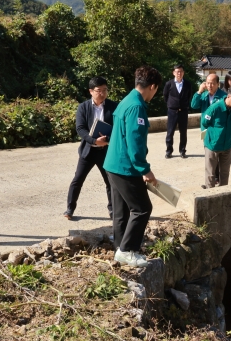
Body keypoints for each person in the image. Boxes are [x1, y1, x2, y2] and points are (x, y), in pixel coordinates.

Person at [104, 65, 163, 268]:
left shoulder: (127, 100)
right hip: (124, 167)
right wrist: (144, 169)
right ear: (152, 86)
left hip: (112, 165)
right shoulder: (137, 106)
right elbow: (135, 142)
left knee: (121, 211)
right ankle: (128, 250)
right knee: (142, 208)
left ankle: (120, 250)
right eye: (156, 90)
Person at [64, 77, 118, 220]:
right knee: (78, 180)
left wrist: (106, 141)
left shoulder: (113, 107)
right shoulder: (83, 107)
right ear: (91, 91)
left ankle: (113, 210)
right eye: (98, 90)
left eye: (104, 90)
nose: (102, 93)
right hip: (88, 151)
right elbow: (80, 129)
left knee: (110, 182)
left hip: (106, 151)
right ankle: (70, 209)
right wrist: (94, 141)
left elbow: (118, 128)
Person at [201, 85, 231, 188]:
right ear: (228, 96)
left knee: (225, 174)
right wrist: (207, 140)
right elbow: (204, 123)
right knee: (211, 174)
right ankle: (209, 194)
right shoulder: (215, 108)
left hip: (227, 146)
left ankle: (223, 195)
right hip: (213, 146)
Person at [162, 64, 193, 159]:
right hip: (172, 111)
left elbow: (189, 96)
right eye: (177, 71)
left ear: (183, 73)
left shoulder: (188, 84)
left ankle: (182, 150)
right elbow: (165, 96)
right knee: (170, 132)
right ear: (174, 73)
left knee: (183, 132)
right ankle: (169, 151)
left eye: (181, 71)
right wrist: (171, 104)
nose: (179, 73)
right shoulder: (169, 84)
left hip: (183, 111)